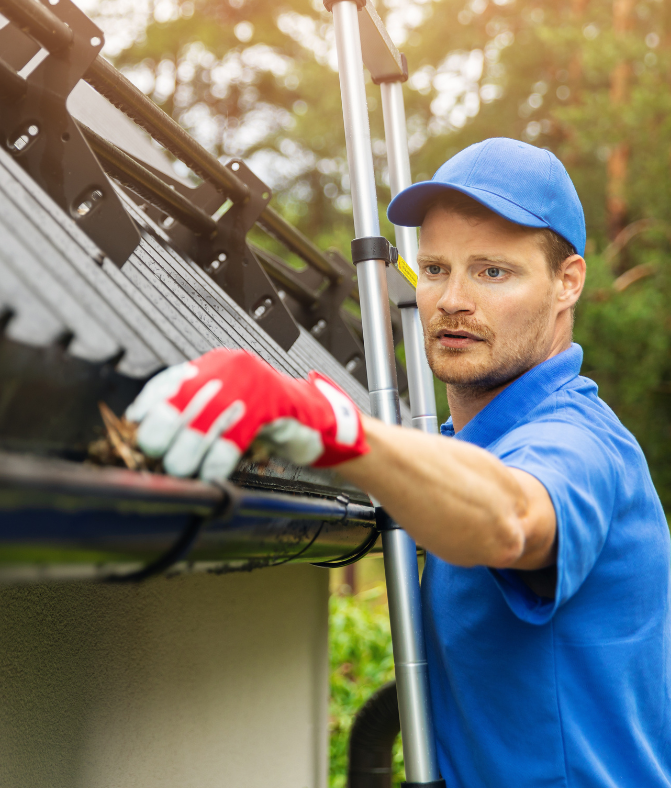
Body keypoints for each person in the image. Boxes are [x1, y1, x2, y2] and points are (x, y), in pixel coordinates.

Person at [125, 138, 671, 787]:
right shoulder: (466, 447)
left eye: (493, 272)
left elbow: (512, 517)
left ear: (567, 282)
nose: (452, 299)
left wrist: (332, 427)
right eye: (435, 269)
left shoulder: (578, 443)